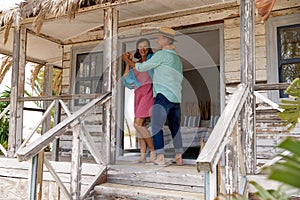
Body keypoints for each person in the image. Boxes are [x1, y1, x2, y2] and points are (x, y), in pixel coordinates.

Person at [122, 27, 184, 166]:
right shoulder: (177, 59)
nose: (157, 41)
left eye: (159, 38)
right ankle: (179, 156)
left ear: (166, 40)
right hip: (176, 97)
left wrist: (127, 60)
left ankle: (160, 156)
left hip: (163, 95)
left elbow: (141, 68)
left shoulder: (161, 55)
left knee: (156, 126)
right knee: (175, 127)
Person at [122, 38, 156, 163]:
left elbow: (142, 68)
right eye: (140, 46)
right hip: (138, 94)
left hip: (148, 92)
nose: (142, 49)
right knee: (140, 126)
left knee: (137, 124)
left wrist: (128, 61)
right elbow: (126, 79)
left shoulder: (152, 59)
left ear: (149, 48)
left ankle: (153, 150)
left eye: (145, 46)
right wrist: (127, 63)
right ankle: (142, 156)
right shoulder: (136, 64)